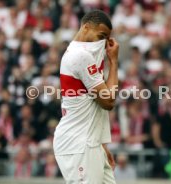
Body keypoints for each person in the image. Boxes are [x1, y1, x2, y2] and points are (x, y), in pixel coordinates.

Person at [53, 10, 118, 184]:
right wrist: (114, 62)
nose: (103, 43)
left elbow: (94, 106)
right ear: (86, 27)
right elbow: (108, 101)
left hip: (90, 142)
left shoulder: (82, 54)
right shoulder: (81, 56)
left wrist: (102, 144)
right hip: (77, 143)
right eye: (101, 36)